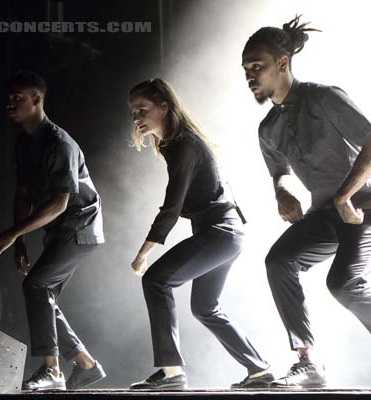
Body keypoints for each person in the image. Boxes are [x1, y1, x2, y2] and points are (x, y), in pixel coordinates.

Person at [241, 16, 371, 389]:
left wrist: (344, 195)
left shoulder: (324, 97)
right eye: (245, 69)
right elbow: (279, 172)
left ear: (283, 64)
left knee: (343, 282)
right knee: (279, 261)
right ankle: (309, 363)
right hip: (325, 211)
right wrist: (282, 192)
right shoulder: (267, 127)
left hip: (365, 206)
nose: (250, 75)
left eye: (257, 66)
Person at [127, 79, 273, 390]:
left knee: (155, 279)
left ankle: (171, 373)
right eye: (133, 112)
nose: (137, 118)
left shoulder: (184, 146)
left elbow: (171, 207)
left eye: (143, 109)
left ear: (164, 107)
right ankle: (259, 370)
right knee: (205, 306)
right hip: (226, 233)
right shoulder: (176, 145)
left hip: (221, 232)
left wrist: (144, 252)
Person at [0, 70, 106, 391]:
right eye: (8, 98)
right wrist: (20, 240)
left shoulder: (59, 143)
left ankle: (52, 370)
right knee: (43, 295)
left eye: (17, 98)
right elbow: (23, 193)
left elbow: (59, 203)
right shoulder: (24, 141)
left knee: (36, 288)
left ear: (36, 99)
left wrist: (11, 234)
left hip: (80, 226)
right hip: (60, 230)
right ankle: (85, 365)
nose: (9, 104)